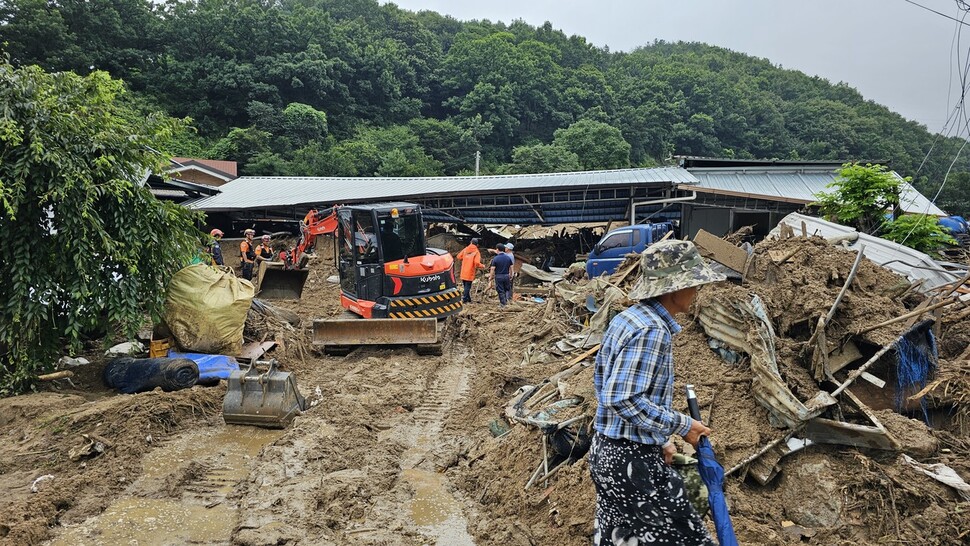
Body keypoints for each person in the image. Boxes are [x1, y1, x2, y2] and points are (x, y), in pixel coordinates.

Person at [588, 239, 725, 546]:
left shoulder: (629, 319)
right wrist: (683, 425)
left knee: (620, 538)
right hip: (630, 461)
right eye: (693, 284)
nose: (697, 291)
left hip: (610, 453)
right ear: (674, 288)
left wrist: (659, 439)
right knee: (688, 538)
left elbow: (605, 386)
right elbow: (622, 398)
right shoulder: (651, 330)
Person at [456, 238, 486, 303]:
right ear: (477, 245)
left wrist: (465, 258)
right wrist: (482, 266)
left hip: (463, 271)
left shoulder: (466, 249)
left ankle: (468, 300)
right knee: (468, 287)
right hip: (470, 272)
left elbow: (459, 256)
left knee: (466, 286)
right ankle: (464, 299)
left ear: (471, 242)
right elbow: (477, 263)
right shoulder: (476, 252)